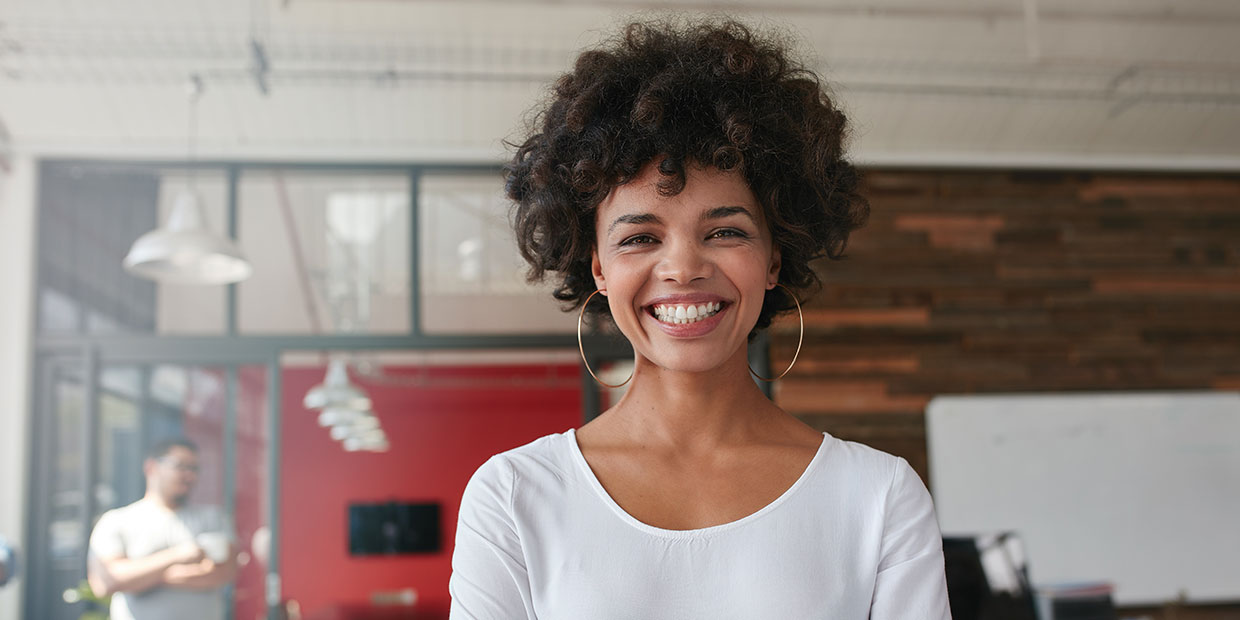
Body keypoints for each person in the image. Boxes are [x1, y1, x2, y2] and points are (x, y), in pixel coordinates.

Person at [448, 18, 952, 619]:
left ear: (773, 258)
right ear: (599, 268)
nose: (682, 267)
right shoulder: (514, 496)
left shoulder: (879, 498)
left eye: (725, 231)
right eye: (639, 237)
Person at [88, 437, 238, 620]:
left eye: (194, 469)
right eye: (180, 466)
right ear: (151, 467)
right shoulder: (117, 521)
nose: (189, 475)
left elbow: (224, 573)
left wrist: (141, 578)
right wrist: (178, 556)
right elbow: (106, 582)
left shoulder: (213, 518)